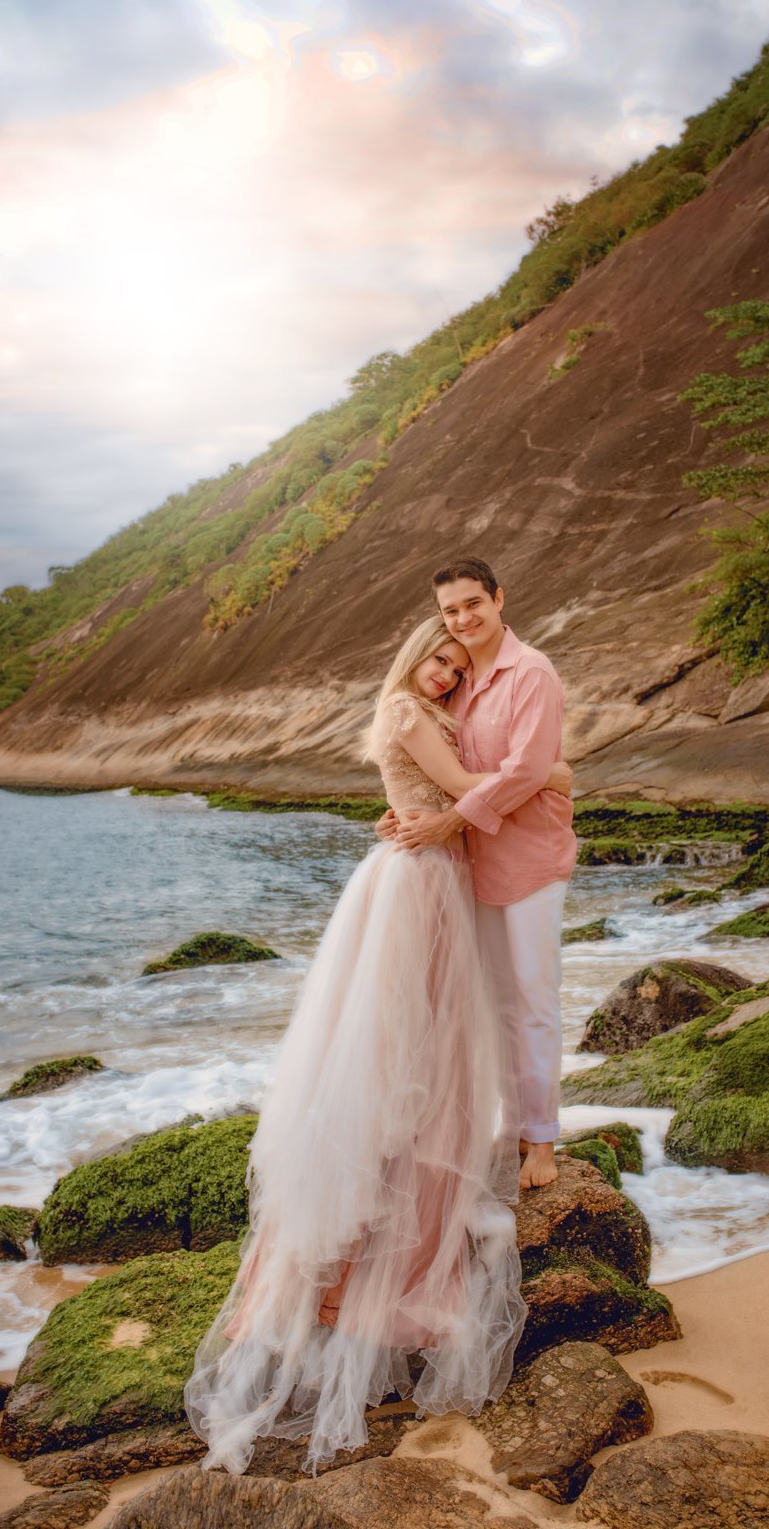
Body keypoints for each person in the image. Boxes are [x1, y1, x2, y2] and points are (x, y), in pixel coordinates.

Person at [184, 615, 572, 1475]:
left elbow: (466, 795)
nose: (444, 672)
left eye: (453, 663)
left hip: (438, 882)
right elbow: (472, 787)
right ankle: (343, 1284)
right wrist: (548, 773)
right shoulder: (405, 712)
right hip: (413, 887)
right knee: (395, 1058)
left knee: (430, 1061)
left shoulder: (433, 714)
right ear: (411, 658)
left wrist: (501, 787)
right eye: (435, 658)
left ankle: (380, 1274)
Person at [389, 558, 577, 1190]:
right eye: (450, 611)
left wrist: (448, 823)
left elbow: (524, 772)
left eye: (473, 604)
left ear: (499, 599)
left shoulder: (532, 673)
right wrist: (404, 815)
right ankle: (509, 1127)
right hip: (471, 865)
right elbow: (436, 771)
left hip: (529, 860)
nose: (463, 619)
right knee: (491, 1005)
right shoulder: (457, 680)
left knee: (533, 1001)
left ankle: (542, 1141)